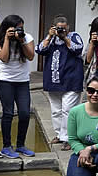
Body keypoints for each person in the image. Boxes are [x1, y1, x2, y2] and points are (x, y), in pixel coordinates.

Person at [35, 15, 84, 151]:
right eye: (59, 28)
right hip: (53, 80)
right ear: (53, 27)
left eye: (64, 27)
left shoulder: (74, 36)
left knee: (67, 110)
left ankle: (68, 139)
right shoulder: (50, 39)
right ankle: (59, 135)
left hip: (71, 81)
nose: (62, 30)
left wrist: (65, 38)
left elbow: (77, 49)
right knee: (56, 111)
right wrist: (49, 36)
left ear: (68, 27)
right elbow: (39, 50)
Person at [0, 15, 36, 159]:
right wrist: (8, 40)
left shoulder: (27, 37)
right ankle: (6, 146)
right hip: (5, 81)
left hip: (22, 81)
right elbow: (3, 58)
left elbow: (31, 56)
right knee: (8, 113)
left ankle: (20, 145)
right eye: (16, 28)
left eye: (21, 28)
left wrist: (21, 40)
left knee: (24, 113)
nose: (19, 31)